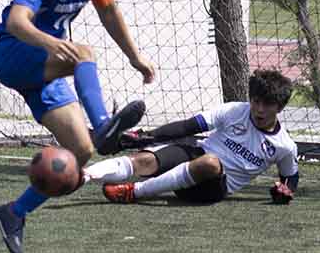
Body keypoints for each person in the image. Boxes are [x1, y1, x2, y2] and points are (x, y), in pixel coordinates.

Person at [0, 0, 156, 253]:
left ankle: (14, 213)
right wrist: (50, 43)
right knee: (82, 52)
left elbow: (109, 13)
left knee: (80, 152)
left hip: (45, 70)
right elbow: (18, 23)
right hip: (14, 55)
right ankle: (103, 124)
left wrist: (134, 57)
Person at [83, 69, 299, 206]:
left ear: (279, 107)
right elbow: (189, 126)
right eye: (255, 101)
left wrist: (284, 190)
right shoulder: (235, 111)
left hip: (212, 188)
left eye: (267, 104)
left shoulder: (284, 146)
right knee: (146, 159)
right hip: (196, 154)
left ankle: (136, 192)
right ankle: (84, 175)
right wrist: (146, 136)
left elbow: (290, 177)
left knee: (210, 163)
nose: (259, 109)